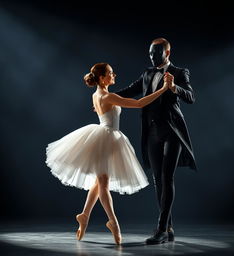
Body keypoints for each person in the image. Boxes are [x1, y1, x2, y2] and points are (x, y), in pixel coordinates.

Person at [45, 62, 174, 245]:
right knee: (103, 183)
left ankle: (84, 215)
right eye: (111, 73)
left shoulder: (96, 95)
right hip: (106, 139)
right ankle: (113, 222)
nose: (114, 75)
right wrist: (163, 89)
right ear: (102, 78)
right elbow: (138, 104)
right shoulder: (109, 96)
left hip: (103, 137)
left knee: (99, 182)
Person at [114, 38, 197, 244]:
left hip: (172, 131)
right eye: (150, 53)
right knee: (158, 180)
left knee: (167, 177)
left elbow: (191, 97)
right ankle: (168, 227)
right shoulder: (147, 73)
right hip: (152, 132)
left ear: (167, 53)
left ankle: (160, 229)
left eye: (156, 53)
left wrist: (174, 87)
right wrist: (105, 97)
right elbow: (131, 91)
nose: (152, 57)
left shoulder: (179, 72)